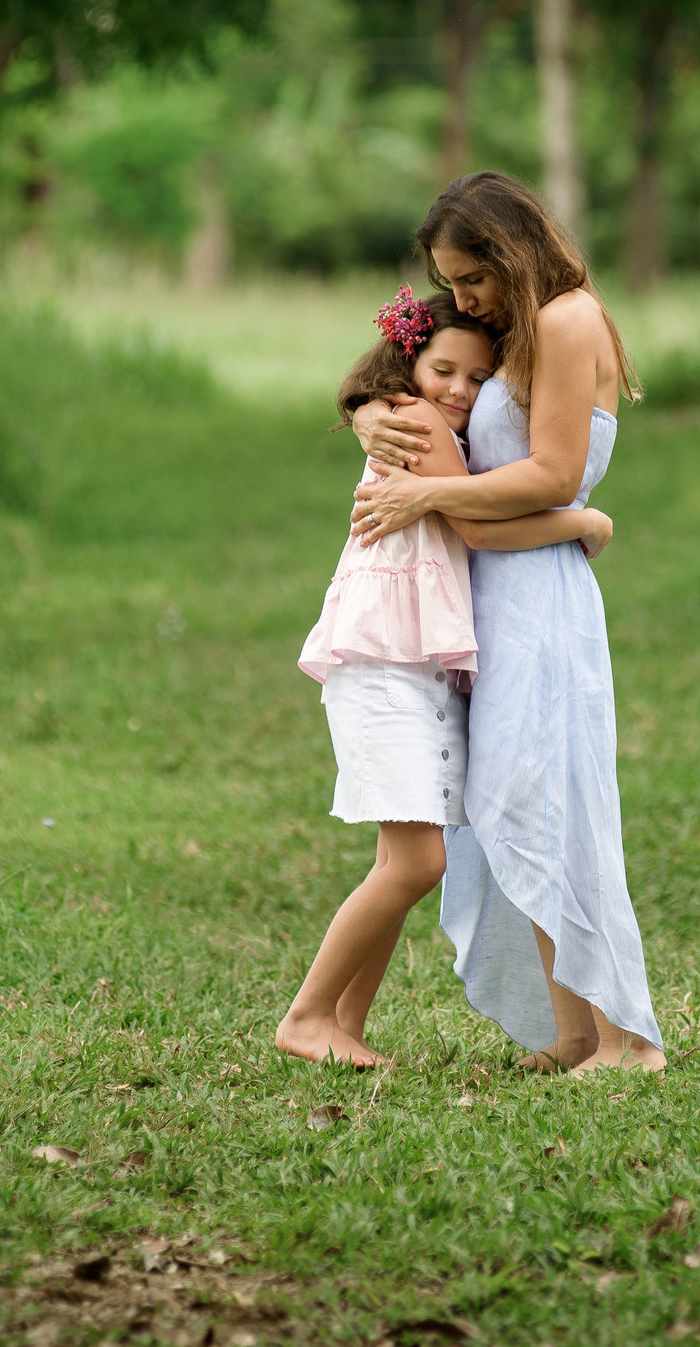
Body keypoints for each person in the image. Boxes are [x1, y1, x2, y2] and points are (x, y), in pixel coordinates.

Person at [347, 173, 665, 1074]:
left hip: (538, 598)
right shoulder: (515, 330)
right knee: (517, 808)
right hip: (494, 595)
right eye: (449, 284)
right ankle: (572, 1033)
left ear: (508, 251)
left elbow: (555, 474)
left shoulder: (567, 321)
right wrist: (373, 413)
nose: (462, 299)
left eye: (471, 278)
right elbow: (414, 383)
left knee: (558, 808)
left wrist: (427, 495)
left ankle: (626, 1036)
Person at [278, 288, 615, 1068]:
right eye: (443, 369)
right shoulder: (419, 420)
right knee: (418, 862)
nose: (459, 391)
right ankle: (306, 1015)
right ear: (409, 361)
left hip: (417, 669)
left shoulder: (416, 415)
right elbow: (472, 523)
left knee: (400, 860)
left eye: (477, 377)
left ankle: (343, 1022)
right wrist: (583, 522)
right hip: (386, 665)